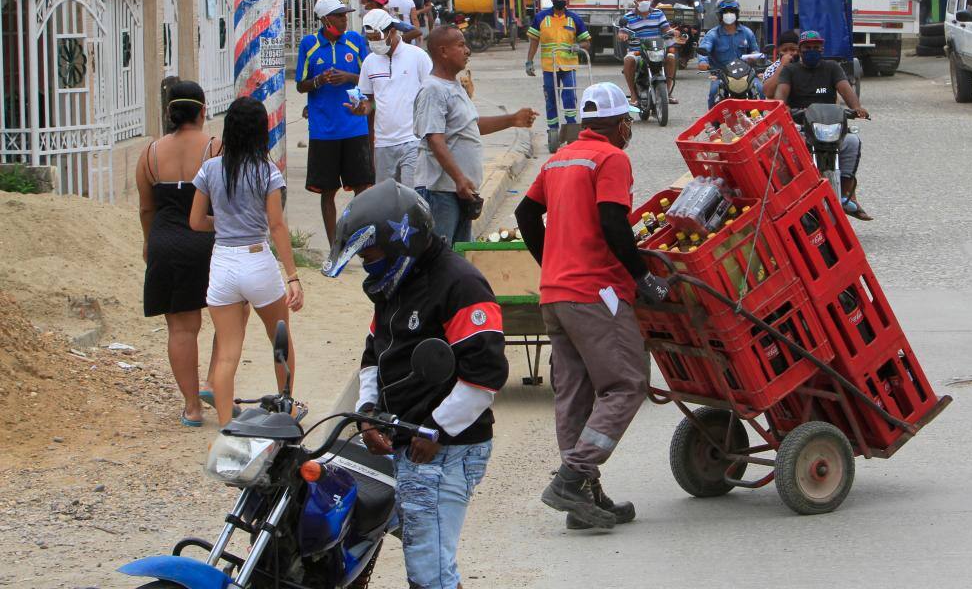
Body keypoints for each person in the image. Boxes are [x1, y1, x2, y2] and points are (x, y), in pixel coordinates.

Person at [322, 181, 508, 589]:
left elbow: (485, 376)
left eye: (370, 255)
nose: (368, 265)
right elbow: (375, 351)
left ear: (399, 244)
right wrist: (368, 413)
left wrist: (437, 430)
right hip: (401, 438)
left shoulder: (462, 285)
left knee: (429, 571)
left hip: (445, 449)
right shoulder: (393, 284)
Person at [514, 82, 670, 531]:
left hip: (557, 294)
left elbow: (526, 214)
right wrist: (642, 278)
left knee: (575, 392)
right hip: (595, 294)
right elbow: (612, 220)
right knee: (626, 384)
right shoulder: (611, 158)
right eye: (628, 123)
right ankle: (573, 477)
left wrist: (553, 263)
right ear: (620, 124)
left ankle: (583, 497)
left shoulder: (562, 158)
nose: (629, 131)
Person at [189, 97, 304, 426]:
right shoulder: (267, 171)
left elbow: (196, 221)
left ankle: (226, 424)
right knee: (279, 339)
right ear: (260, 132)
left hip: (223, 262)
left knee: (227, 353)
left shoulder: (210, 169)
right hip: (257, 260)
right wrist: (293, 275)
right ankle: (287, 408)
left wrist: (223, 223)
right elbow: (276, 225)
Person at [137, 80, 221, 427]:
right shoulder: (215, 148)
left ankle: (191, 407)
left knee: (182, 329)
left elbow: (146, 209)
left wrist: (148, 242)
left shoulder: (151, 153)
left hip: (166, 243)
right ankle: (214, 381)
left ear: (169, 113)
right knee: (232, 316)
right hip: (210, 242)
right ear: (203, 111)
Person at [414, 25, 537, 243]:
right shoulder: (433, 89)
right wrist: (459, 179)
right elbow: (434, 139)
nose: (467, 51)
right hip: (442, 191)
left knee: (461, 257)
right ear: (443, 51)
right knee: (442, 259)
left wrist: (511, 120)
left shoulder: (455, 86)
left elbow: (471, 126)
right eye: (461, 45)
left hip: (460, 191)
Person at [296, 0, 373, 248]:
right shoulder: (309, 44)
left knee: (362, 188)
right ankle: (334, 246)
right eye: (339, 16)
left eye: (345, 15)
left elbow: (368, 76)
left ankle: (361, 240)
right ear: (326, 19)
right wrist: (319, 81)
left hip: (354, 126)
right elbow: (300, 83)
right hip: (323, 130)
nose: (344, 19)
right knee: (327, 191)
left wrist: (348, 76)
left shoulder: (355, 41)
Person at [774, 30, 872, 221]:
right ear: (800, 50)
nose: (812, 51)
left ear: (822, 49)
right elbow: (780, 97)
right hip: (802, 127)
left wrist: (857, 107)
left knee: (852, 141)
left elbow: (845, 88)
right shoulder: (790, 71)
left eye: (816, 48)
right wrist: (784, 109)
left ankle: (845, 194)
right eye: (808, 48)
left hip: (830, 126)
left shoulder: (832, 68)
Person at [349, 8, 433, 185]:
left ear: (392, 32)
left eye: (377, 38)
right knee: (387, 202)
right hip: (383, 144)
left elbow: (433, 95)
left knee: (412, 198)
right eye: (370, 39)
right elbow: (369, 101)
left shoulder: (418, 57)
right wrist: (362, 108)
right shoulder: (369, 62)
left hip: (413, 141)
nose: (373, 43)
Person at [526, 0, 591, 152]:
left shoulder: (574, 19)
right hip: (549, 66)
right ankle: (553, 131)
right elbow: (534, 41)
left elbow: (587, 42)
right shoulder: (541, 17)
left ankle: (571, 130)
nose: (559, 0)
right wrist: (529, 61)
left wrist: (578, 46)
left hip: (568, 66)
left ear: (566, 0)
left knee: (569, 97)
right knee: (551, 100)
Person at [618, 0, 680, 103]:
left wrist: (673, 31)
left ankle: (667, 92)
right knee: (628, 60)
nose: (643, 2)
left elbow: (666, 29)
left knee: (671, 57)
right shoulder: (628, 17)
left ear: (650, 0)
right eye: (640, 0)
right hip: (638, 50)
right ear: (635, 2)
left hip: (658, 49)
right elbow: (622, 32)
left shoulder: (658, 13)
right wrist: (622, 34)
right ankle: (633, 94)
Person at [697, 0, 760, 108]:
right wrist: (703, 62)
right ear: (720, 15)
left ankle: (760, 121)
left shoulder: (747, 33)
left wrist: (754, 58)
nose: (729, 14)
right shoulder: (713, 34)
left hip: (746, 74)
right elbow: (704, 49)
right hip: (721, 75)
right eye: (725, 11)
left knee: (760, 89)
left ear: (737, 13)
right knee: (714, 92)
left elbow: (755, 51)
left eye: (732, 11)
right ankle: (714, 122)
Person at [761, 28, 801, 99]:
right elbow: (768, 93)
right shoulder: (772, 69)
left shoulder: (804, 64)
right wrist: (783, 66)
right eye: (784, 50)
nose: (789, 53)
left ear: (799, 50)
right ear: (778, 51)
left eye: (793, 49)